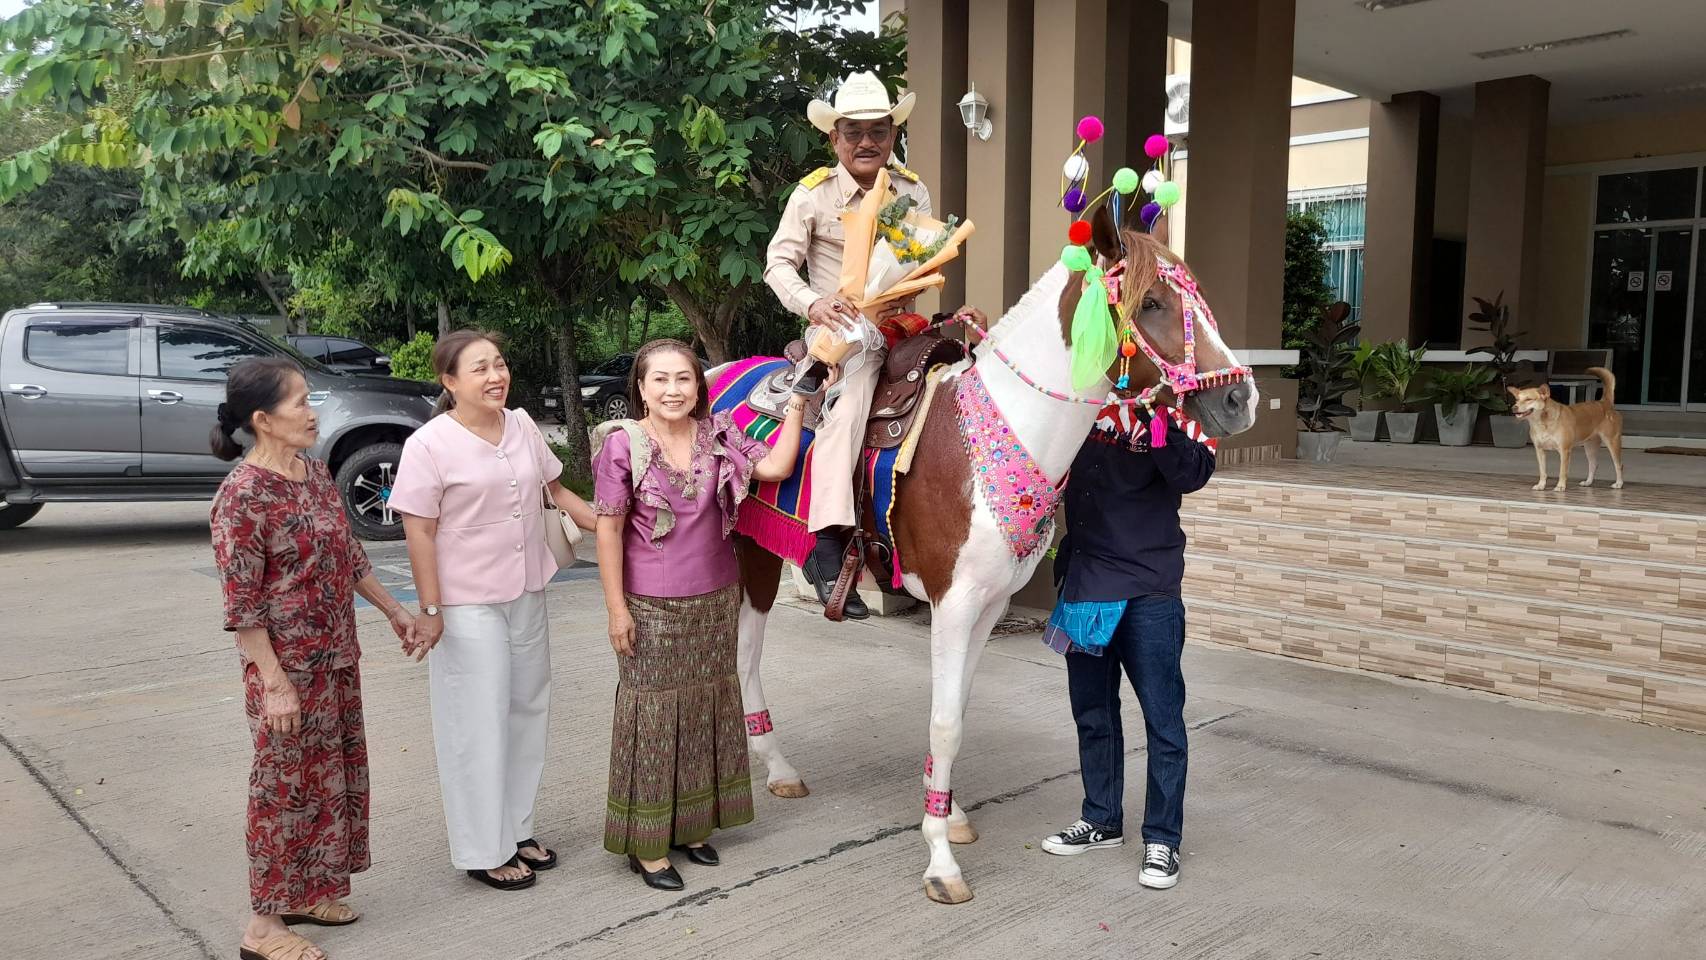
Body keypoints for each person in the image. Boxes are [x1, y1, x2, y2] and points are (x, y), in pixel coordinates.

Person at [209, 357, 417, 960]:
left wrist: (394, 610)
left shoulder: (315, 472)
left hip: (336, 656)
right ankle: (263, 926)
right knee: (282, 791)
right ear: (262, 419)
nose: (312, 412)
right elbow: (242, 606)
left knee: (331, 780)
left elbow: (348, 555)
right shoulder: (243, 497)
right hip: (287, 669)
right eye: (300, 402)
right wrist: (274, 683)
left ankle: (308, 892)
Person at [593, 339, 808, 890]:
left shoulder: (718, 434)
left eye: (683, 379)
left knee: (703, 711)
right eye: (660, 380)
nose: (673, 390)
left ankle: (691, 828)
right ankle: (647, 845)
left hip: (716, 598)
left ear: (698, 387)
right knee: (653, 718)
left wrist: (798, 402)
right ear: (641, 389)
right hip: (651, 605)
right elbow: (608, 529)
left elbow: (777, 466)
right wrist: (616, 610)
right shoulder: (623, 445)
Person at [386, 330, 596, 892]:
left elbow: (559, 493)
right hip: (465, 603)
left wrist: (617, 528)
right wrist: (430, 608)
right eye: (479, 368)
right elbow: (419, 531)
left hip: (527, 588)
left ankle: (517, 828)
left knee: (527, 710)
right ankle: (483, 848)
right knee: (475, 721)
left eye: (499, 365)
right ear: (450, 381)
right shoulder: (428, 444)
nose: (495, 376)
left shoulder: (522, 425)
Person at [763, 70, 932, 620]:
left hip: (900, 326)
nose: (866, 142)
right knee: (852, 397)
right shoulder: (812, 195)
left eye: (878, 130)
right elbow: (777, 265)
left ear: (892, 135)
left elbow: (922, 257)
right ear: (834, 138)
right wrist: (813, 303)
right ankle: (827, 540)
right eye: (853, 132)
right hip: (838, 329)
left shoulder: (912, 190)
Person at [1038, 398, 1216, 891]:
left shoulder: (1183, 415)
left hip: (1148, 591)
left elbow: (1190, 474)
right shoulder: (1082, 406)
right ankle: (1101, 819)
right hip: (1084, 585)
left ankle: (1162, 837)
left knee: (1163, 722)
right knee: (1092, 715)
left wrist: (1154, 416)